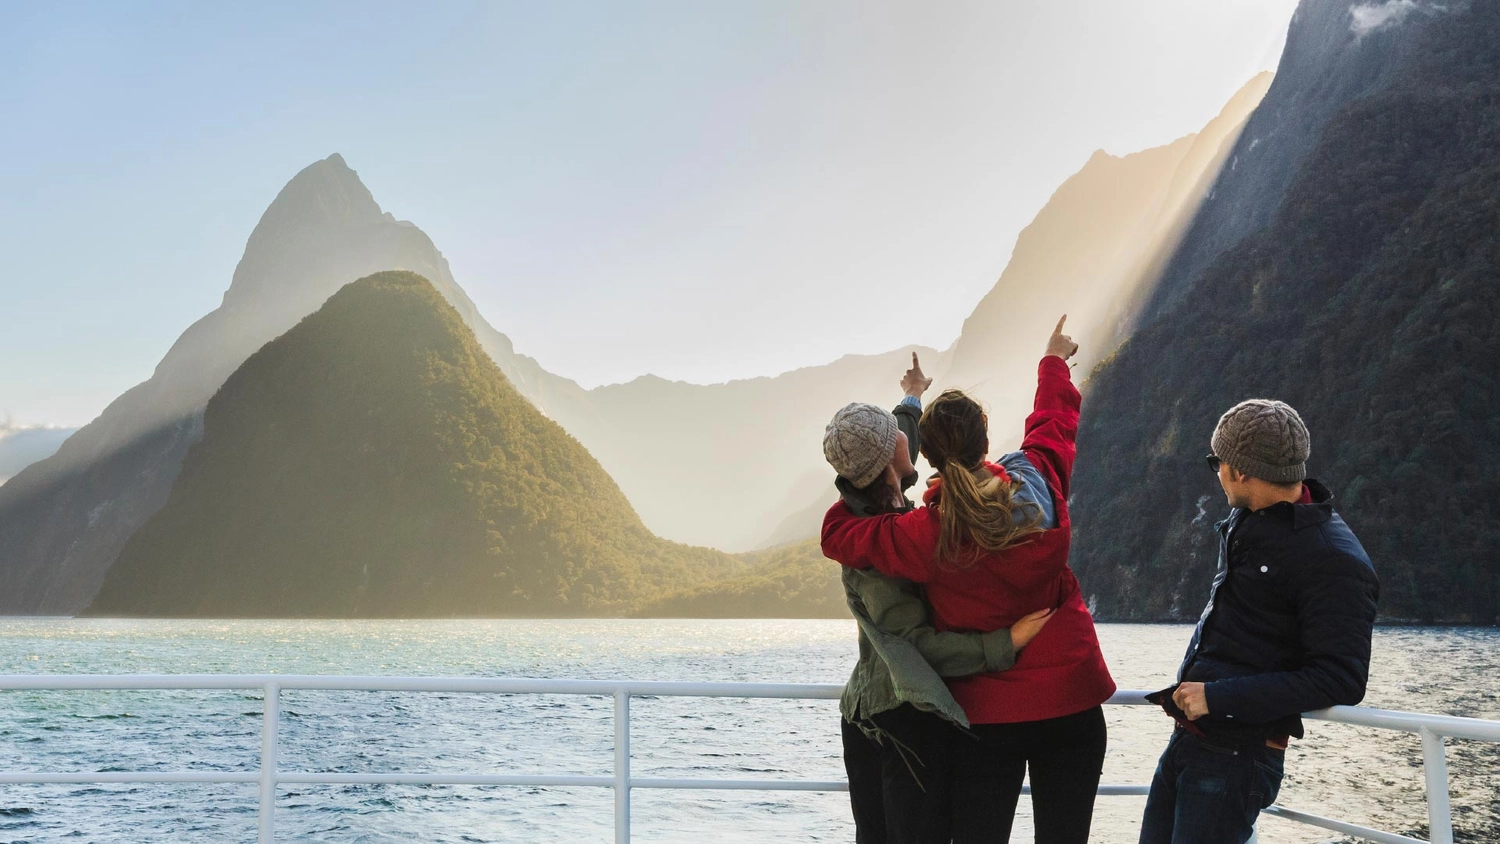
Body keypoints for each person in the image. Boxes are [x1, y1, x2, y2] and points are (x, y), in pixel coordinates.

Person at [822, 317, 1116, 844]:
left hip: (989, 714)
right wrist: (1052, 361)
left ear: (927, 458)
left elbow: (843, 534)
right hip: (1073, 698)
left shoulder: (923, 532)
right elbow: (1052, 423)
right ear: (984, 431)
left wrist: (854, 496)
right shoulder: (1041, 478)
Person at [1138, 400, 1380, 844]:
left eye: (1217, 462)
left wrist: (1218, 696)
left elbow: (1341, 678)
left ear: (1242, 470)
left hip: (1237, 756)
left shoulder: (1333, 558)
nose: (1216, 473)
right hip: (1192, 740)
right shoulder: (1246, 521)